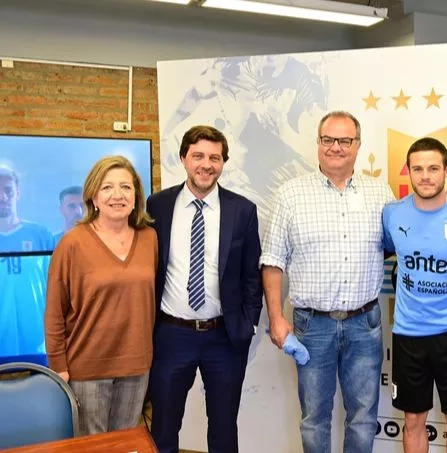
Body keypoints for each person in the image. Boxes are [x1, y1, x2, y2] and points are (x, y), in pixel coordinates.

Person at [261, 110, 394, 453]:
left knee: (363, 417)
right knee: (314, 418)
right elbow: (272, 262)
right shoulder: (290, 195)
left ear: (358, 145)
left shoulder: (381, 194)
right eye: (328, 139)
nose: (336, 147)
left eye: (344, 140)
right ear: (318, 143)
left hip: (364, 323)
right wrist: (275, 318)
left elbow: (395, 248)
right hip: (312, 326)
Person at [147, 125, 262, 453]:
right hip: (171, 335)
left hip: (223, 336)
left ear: (223, 162)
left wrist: (248, 324)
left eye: (215, 157)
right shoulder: (158, 206)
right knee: (164, 428)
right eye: (198, 156)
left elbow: (251, 276)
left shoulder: (242, 210)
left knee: (224, 430)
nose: (206, 165)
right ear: (183, 158)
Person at [382, 137, 447, 453]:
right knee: (413, 421)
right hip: (407, 335)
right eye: (417, 169)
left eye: (433, 168)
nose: (425, 176)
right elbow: (386, 248)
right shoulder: (392, 214)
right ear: (408, 171)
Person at [44, 155, 157, 435]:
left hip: (136, 365)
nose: (117, 195)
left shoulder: (149, 238)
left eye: (126, 187)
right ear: (93, 197)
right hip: (87, 368)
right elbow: (55, 311)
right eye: (107, 187)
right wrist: (58, 365)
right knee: (93, 446)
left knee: (125, 443)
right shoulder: (72, 243)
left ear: (136, 196)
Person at [0, 166, 53, 361]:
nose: (3, 197)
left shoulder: (41, 235)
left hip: (38, 343)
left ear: (18, 193)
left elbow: (56, 289)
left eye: (8, 190)